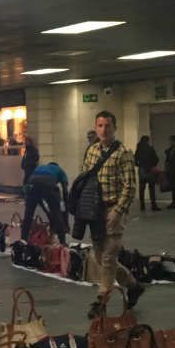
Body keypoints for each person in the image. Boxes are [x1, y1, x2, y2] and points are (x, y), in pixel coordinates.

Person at [72, 111, 142, 305]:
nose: (104, 130)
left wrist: (118, 211)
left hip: (113, 210)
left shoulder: (123, 154)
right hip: (94, 212)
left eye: (108, 126)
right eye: (100, 126)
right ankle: (133, 285)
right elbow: (85, 177)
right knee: (100, 256)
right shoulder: (92, 151)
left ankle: (101, 300)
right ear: (96, 127)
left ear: (115, 128)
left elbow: (130, 186)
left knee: (109, 257)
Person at [22, 160, 69, 245]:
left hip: (32, 184)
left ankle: (23, 240)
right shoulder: (60, 170)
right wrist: (65, 206)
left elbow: (30, 181)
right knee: (57, 214)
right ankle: (63, 242)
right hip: (49, 184)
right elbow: (65, 191)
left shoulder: (40, 167)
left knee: (28, 215)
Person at [134, 135, 160, 212]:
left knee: (142, 188)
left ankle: (142, 205)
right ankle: (153, 205)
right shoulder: (150, 148)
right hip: (150, 171)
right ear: (147, 141)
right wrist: (152, 165)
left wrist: (139, 165)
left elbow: (135, 160)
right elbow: (156, 159)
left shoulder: (138, 149)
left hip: (142, 171)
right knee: (151, 188)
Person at [163, 135, 175, 209]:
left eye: (171, 141)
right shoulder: (171, 150)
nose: (170, 142)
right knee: (174, 187)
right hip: (172, 170)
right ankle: (174, 202)